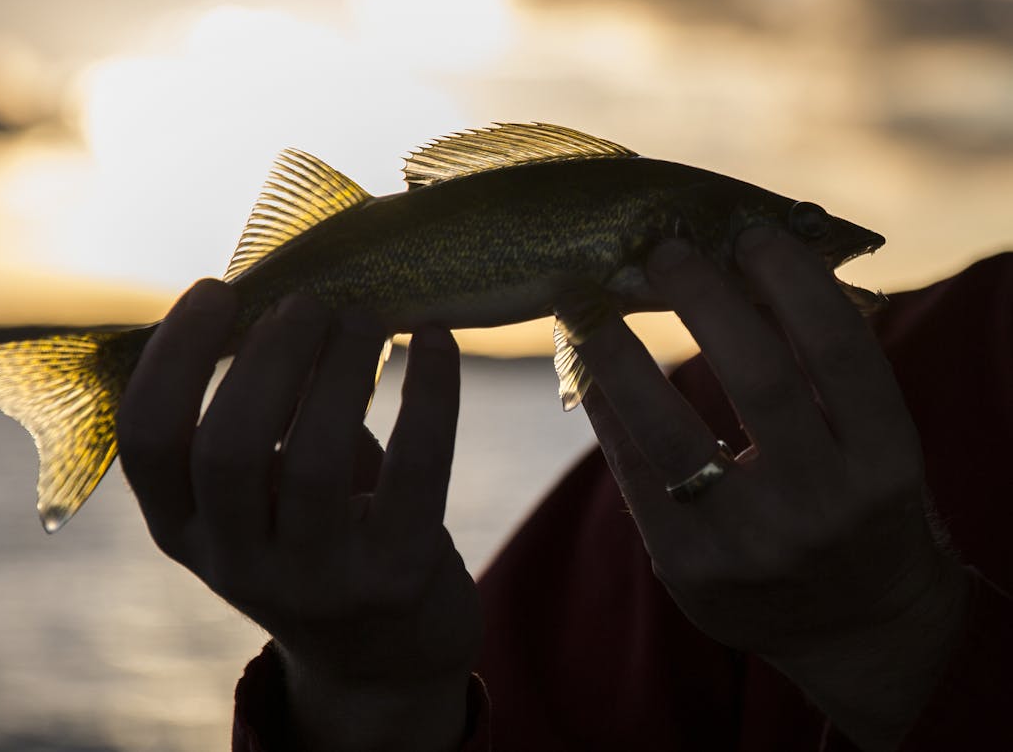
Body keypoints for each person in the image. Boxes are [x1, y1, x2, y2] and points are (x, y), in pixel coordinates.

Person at [116, 228, 1013, 751]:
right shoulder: (734, 437)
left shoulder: (753, 436)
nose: (841, 244)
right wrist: (368, 701)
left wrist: (897, 640)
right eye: (798, 227)